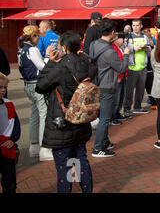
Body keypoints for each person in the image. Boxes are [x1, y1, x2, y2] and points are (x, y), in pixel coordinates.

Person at [35, 32, 96, 193]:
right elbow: (92, 66)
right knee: (80, 159)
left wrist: (50, 63)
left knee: (65, 165)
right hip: (81, 119)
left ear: (63, 47)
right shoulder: (86, 65)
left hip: (61, 121)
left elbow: (40, 86)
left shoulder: (61, 67)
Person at [90, 19, 130, 157]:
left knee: (102, 117)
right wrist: (126, 54)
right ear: (112, 33)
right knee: (105, 119)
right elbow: (121, 67)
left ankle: (104, 141)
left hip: (96, 83)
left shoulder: (94, 44)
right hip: (107, 86)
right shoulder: (110, 51)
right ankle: (98, 148)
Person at [17, 25, 53, 161]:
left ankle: (34, 146)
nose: (39, 39)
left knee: (34, 114)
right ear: (33, 37)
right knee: (44, 114)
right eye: (37, 36)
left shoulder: (21, 49)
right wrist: (49, 54)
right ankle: (44, 149)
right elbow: (43, 67)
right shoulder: (32, 49)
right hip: (37, 84)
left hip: (28, 84)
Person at [123, 19, 152, 115]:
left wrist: (147, 48)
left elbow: (149, 49)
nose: (135, 27)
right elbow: (124, 48)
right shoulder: (128, 36)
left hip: (142, 67)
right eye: (133, 25)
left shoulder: (144, 36)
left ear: (141, 26)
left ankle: (137, 107)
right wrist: (133, 48)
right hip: (132, 67)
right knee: (129, 91)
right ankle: (127, 109)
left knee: (140, 90)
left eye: (137, 25)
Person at [0, 72, 21, 194]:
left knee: (10, 183)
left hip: (8, 149)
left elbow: (16, 126)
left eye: (5, 88)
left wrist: (12, 140)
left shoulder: (8, 104)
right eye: (0, 87)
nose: (3, 90)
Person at [110, 35, 128, 125]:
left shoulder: (120, 48)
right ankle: (113, 116)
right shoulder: (113, 48)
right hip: (118, 76)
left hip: (123, 75)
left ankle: (117, 113)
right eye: (122, 39)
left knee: (121, 96)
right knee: (116, 98)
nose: (123, 40)